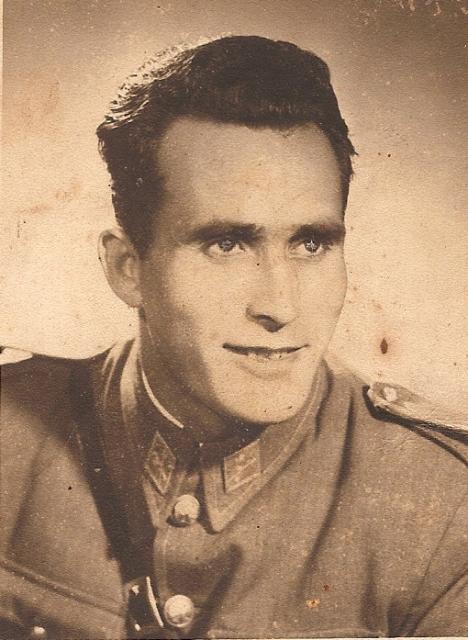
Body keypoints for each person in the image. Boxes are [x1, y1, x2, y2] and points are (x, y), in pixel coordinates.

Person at [1, 35, 467, 640]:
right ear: (127, 268)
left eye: (311, 243)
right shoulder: (10, 438)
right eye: (226, 244)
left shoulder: (444, 502)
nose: (279, 306)